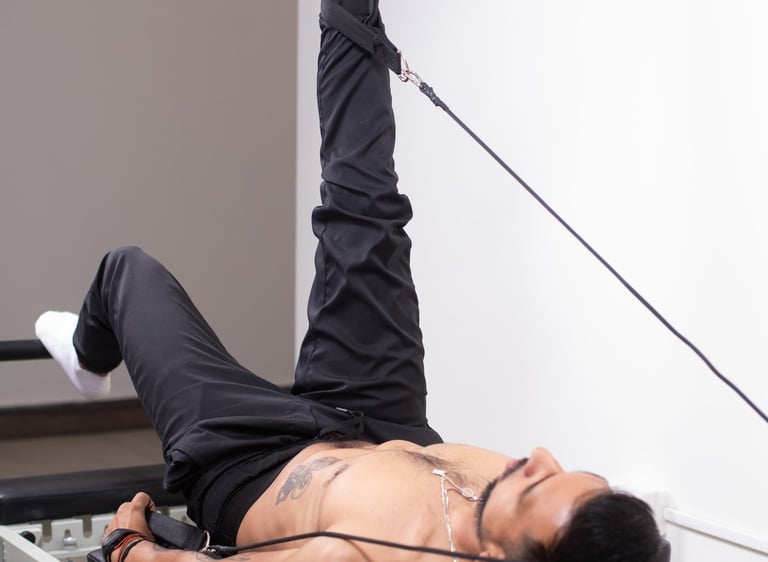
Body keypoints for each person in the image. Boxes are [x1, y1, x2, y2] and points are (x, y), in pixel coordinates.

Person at [34, 1, 669, 561]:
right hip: (383, 417)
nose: (538, 458)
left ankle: (88, 359)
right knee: (367, 207)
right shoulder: (543, 525)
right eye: (567, 471)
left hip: (250, 460)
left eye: (534, 485)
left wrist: (129, 547)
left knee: (128, 271)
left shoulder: (363, 553)